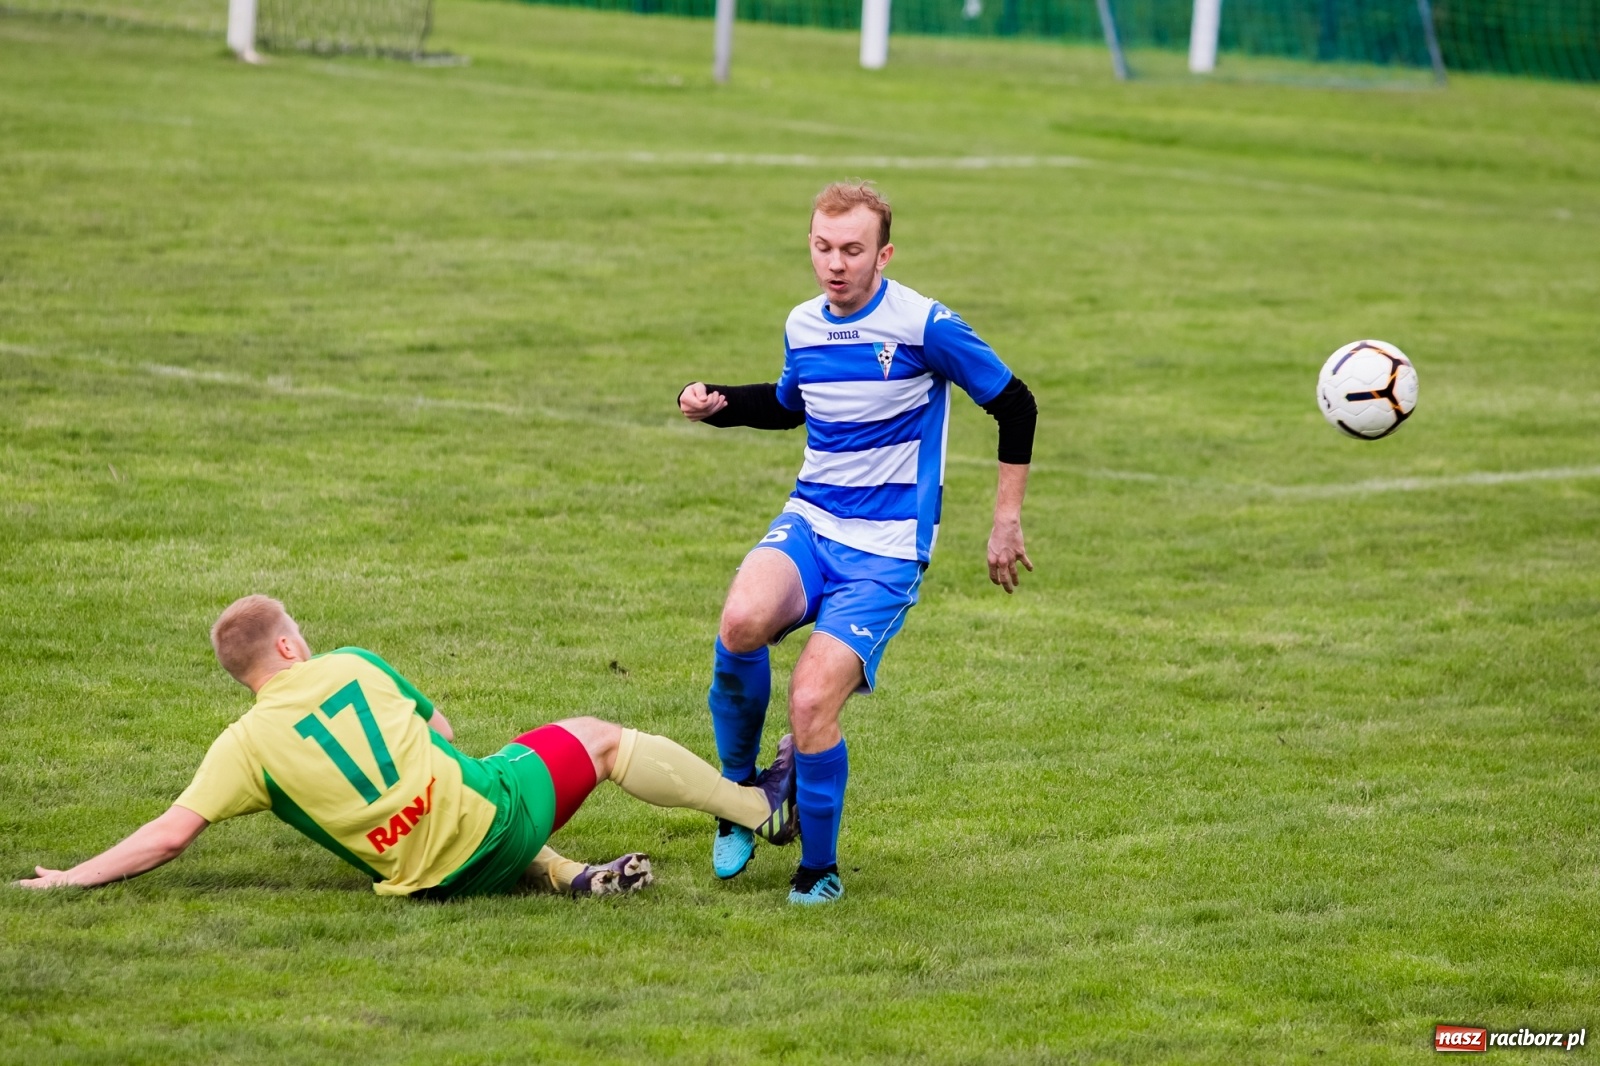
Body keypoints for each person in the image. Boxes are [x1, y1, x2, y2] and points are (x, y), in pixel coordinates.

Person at [678, 181, 1037, 904]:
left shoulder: (924, 326)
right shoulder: (803, 324)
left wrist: (1005, 519)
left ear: (883, 253)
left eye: (851, 250)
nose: (834, 264)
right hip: (812, 522)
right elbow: (790, 407)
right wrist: (718, 405)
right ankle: (740, 798)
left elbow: (1015, 403)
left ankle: (821, 869)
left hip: (886, 549)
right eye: (821, 247)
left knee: (812, 703)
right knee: (740, 621)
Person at [15, 595, 797, 898]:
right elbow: (444, 738)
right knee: (594, 739)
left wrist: (71, 879)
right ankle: (757, 809)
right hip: (492, 824)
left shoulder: (242, 748)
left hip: (426, 882)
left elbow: (170, 836)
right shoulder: (351, 663)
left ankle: (568, 877)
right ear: (289, 649)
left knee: (466, 790)